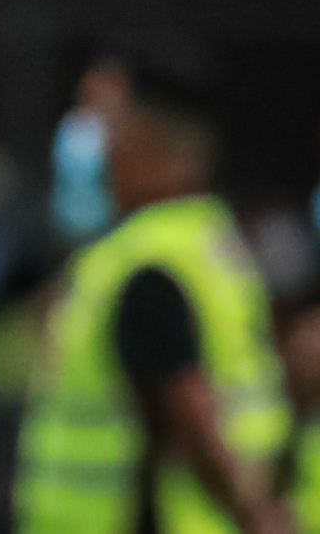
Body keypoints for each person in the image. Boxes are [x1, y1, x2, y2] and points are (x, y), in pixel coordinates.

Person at [15, 43, 294, 534]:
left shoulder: (144, 264)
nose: (100, 147)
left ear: (147, 140)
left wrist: (260, 521)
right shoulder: (211, 239)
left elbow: (191, 416)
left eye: (109, 127)